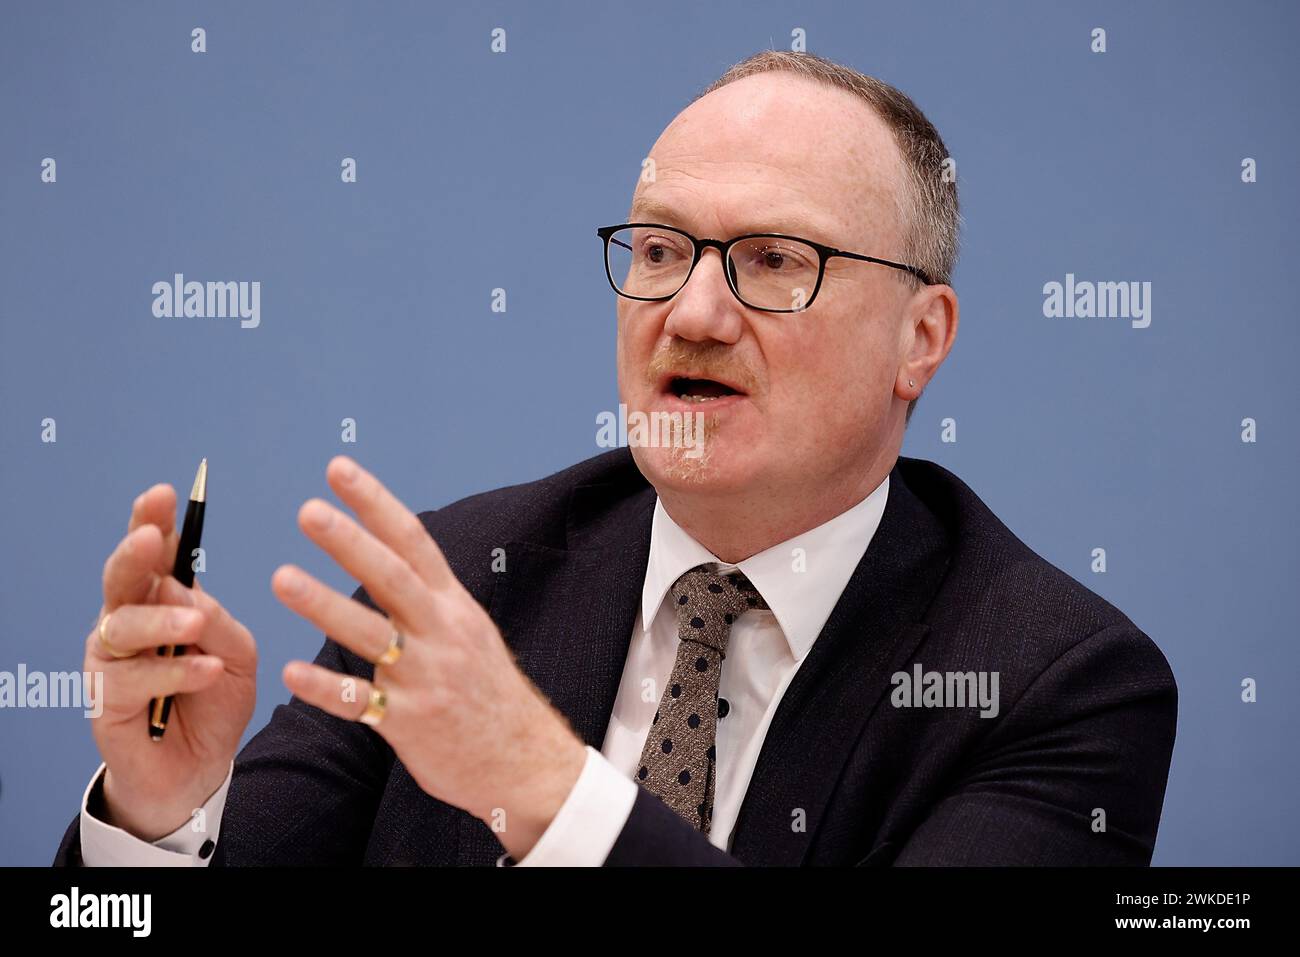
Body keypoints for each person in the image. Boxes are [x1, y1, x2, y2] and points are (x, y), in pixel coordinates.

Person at [54, 51, 1176, 867]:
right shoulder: (463, 577)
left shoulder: (1059, 684)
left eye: (773, 260)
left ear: (918, 339)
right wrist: (162, 819)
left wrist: (545, 786)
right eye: (659, 249)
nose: (690, 312)